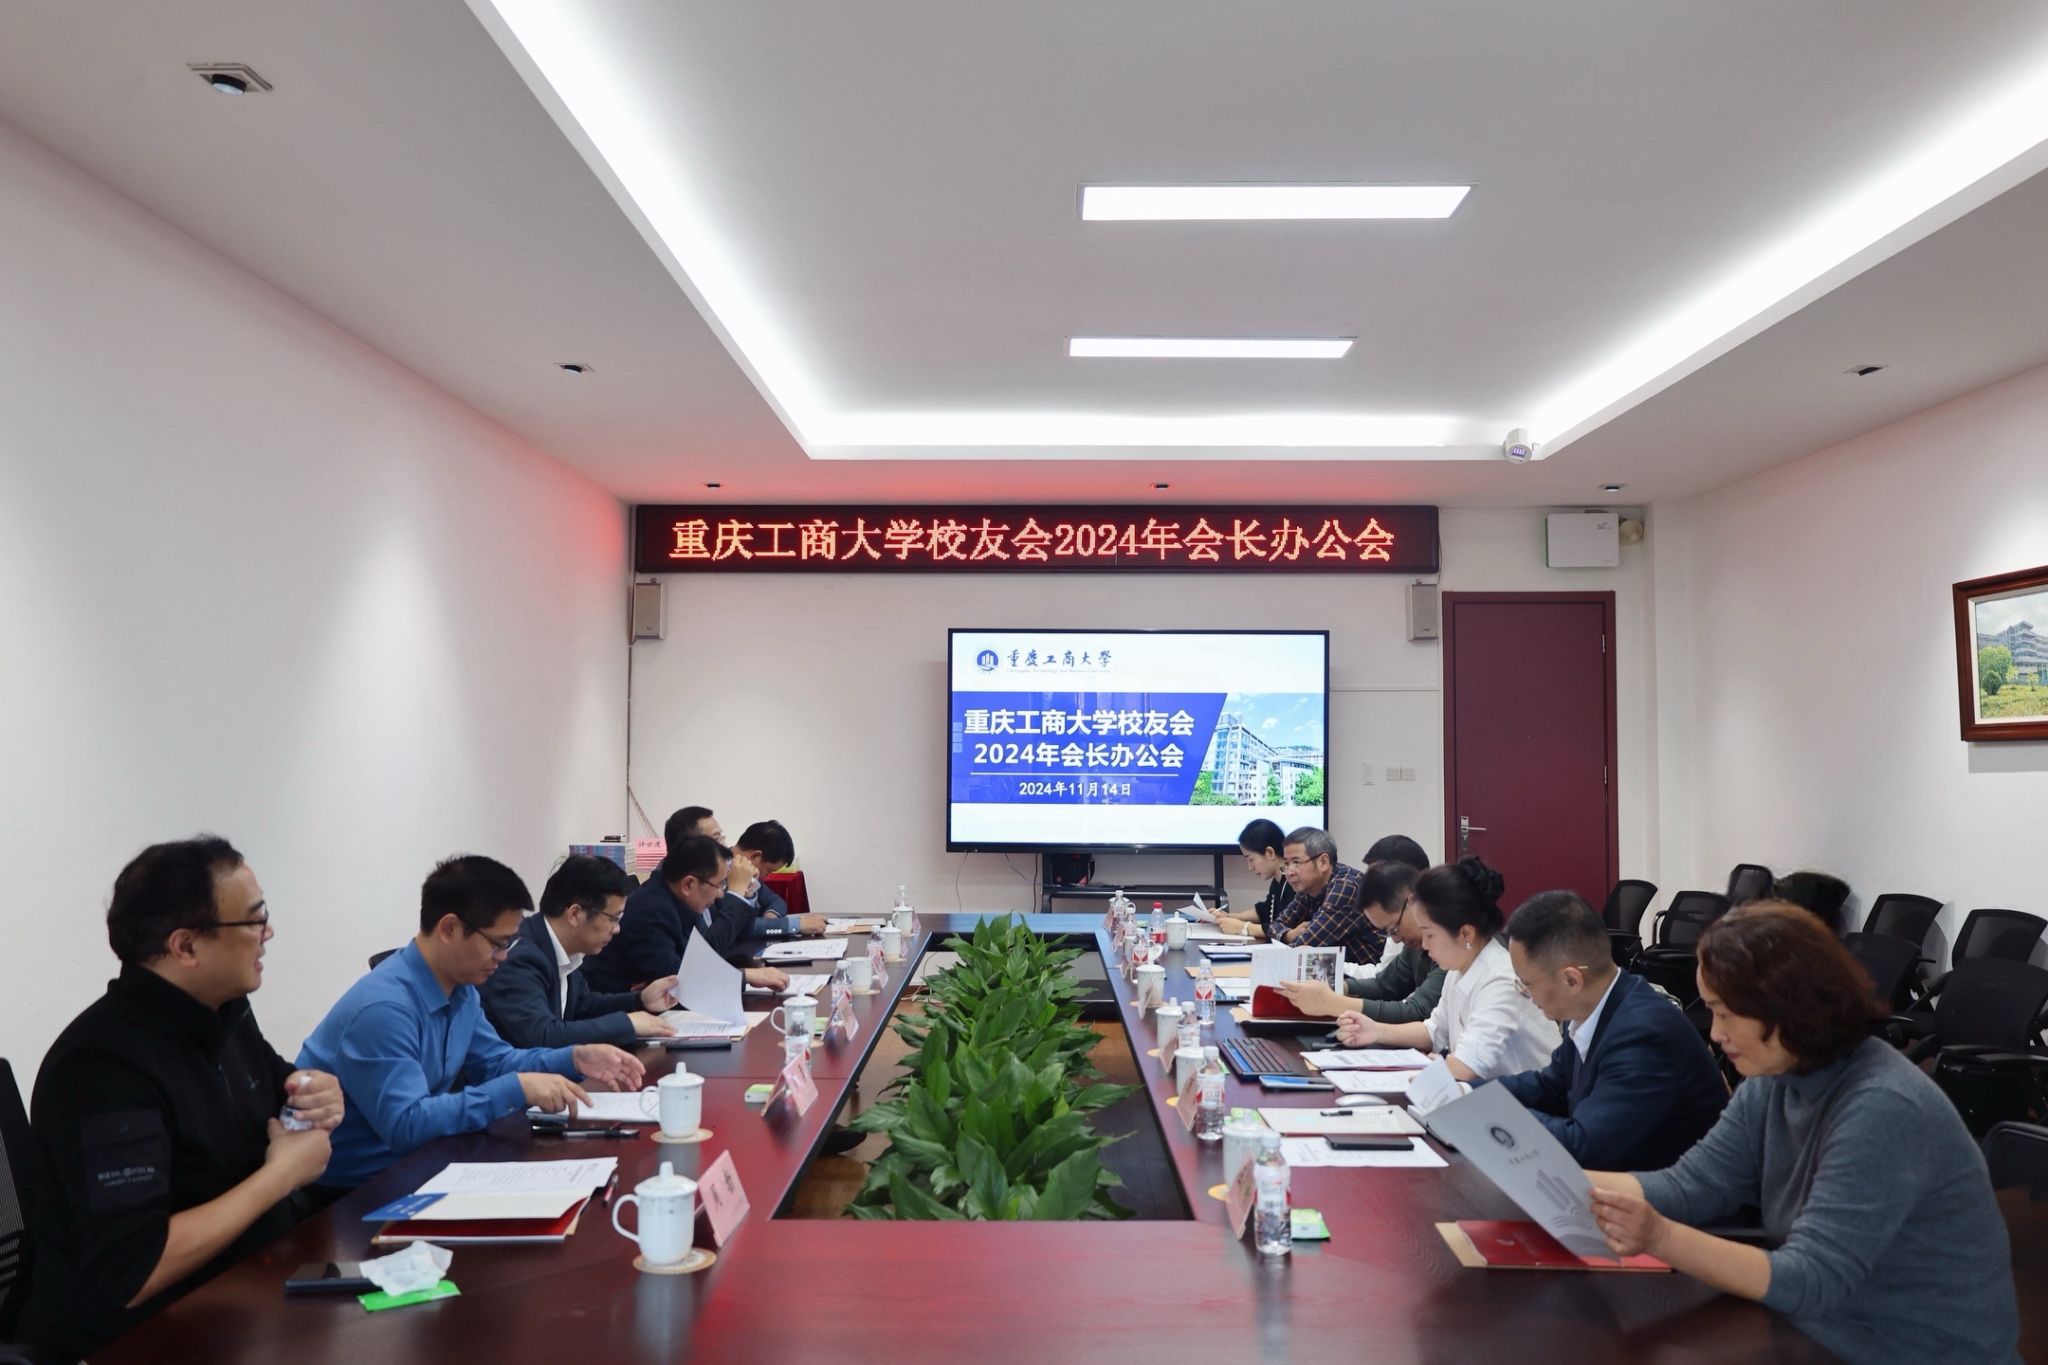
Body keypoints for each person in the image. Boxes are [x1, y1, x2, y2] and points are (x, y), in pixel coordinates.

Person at [1588, 903, 2019, 1364]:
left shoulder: (1883, 1106)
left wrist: (1659, 1237)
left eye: (1725, 1014)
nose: (1715, 1034)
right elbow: (1691, 1186)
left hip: (1916, 1352)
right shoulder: (1774, 1079)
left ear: (1785, 1008)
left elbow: (1809, 1281)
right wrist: (1557, 1179)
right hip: (1826, 1334)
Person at [20, 837, 346, 1359]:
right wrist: (282, 1175)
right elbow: (136, 1269)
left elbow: (278, 1084)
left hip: (248, 1289)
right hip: (144, 1335)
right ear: (186, 947)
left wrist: (317, 1092)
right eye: (254, 920)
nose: (268, 933)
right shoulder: (103, 1068)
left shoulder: (222, 1010)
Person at [297, 855, 644, 1188]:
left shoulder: (460, 989)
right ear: (450, 928)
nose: (504, 957)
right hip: (356, 1191)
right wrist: (517, 1088)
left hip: (421, 1162)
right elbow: (406, 1124)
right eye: (498, 944)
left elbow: (495, 1061)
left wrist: (574, 1058)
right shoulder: (383, 1009)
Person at [1491, 890, 1726, 1169]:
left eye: (1527, 983)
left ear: (1571, 980)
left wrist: (1494, 1115)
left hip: (1671, 1192)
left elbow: (1584, 1146)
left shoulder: (1642, 1035)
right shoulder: (1592, 1009)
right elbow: (1551, 1087)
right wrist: (1465, 1092)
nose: (1526, 995)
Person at [1335, 856, 1557, 1083]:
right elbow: (1434, 1031)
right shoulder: (1459, 968)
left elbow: (1466, 1066)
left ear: (1465, 934)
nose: (1425, 944)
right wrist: (1375, 1031)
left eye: (1430, 934)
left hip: (1524, 1102)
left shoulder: (1500, 979)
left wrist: (1439, 1069)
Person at [481, 854, 681, 1048]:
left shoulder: (561, 946)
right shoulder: (521, 958)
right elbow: (543, 1036)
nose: (617, 929)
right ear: (575, 914)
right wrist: (627, 1023)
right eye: (613, 919)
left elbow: (584, 1005)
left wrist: (641, 999)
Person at [581, 835, 790, 993]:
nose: (720, 894)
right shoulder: (650, 909)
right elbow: (679, 979)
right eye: (719, 885)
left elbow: (703, 958)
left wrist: (744, 894)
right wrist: (745, 976)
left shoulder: (679, 899)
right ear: (688, 884)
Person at [1277, 862, 1444, 1023]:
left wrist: (1334, 1003)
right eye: (1387, 932)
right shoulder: (1414, 944)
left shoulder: (1447, 945)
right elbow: (1386, 985)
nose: (1395, 939)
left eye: (1393, 929)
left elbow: (1418, 1011)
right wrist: (1336, 987)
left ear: (1413, 903)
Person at [1268, 828, 1384, 963]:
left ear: (1323, 862)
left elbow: (1302, 948)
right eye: (1286, 864)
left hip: (1371, 973)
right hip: (1338, 971)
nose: (1289, 872)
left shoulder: (1346, 887)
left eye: (1296, 863)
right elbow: (1275, 925)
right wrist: (1288, 935)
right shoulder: (1308, 887)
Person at [717, 818, 825, 940]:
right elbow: (739, 928)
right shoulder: (717, 874)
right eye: (769, 870)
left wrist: (770, 919)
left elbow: (776, 901)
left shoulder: (748, 870)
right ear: (756, 856)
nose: (767, 876)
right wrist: (794, 925)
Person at [1214, 818, 1291, 940]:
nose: (1250, 867)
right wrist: (1229, 917)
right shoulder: (1278, 880)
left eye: (1251, 859)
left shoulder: (1293, 883)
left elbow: (1286, 929)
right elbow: (1265, 911)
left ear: (1270, 853)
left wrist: (1242, 927)